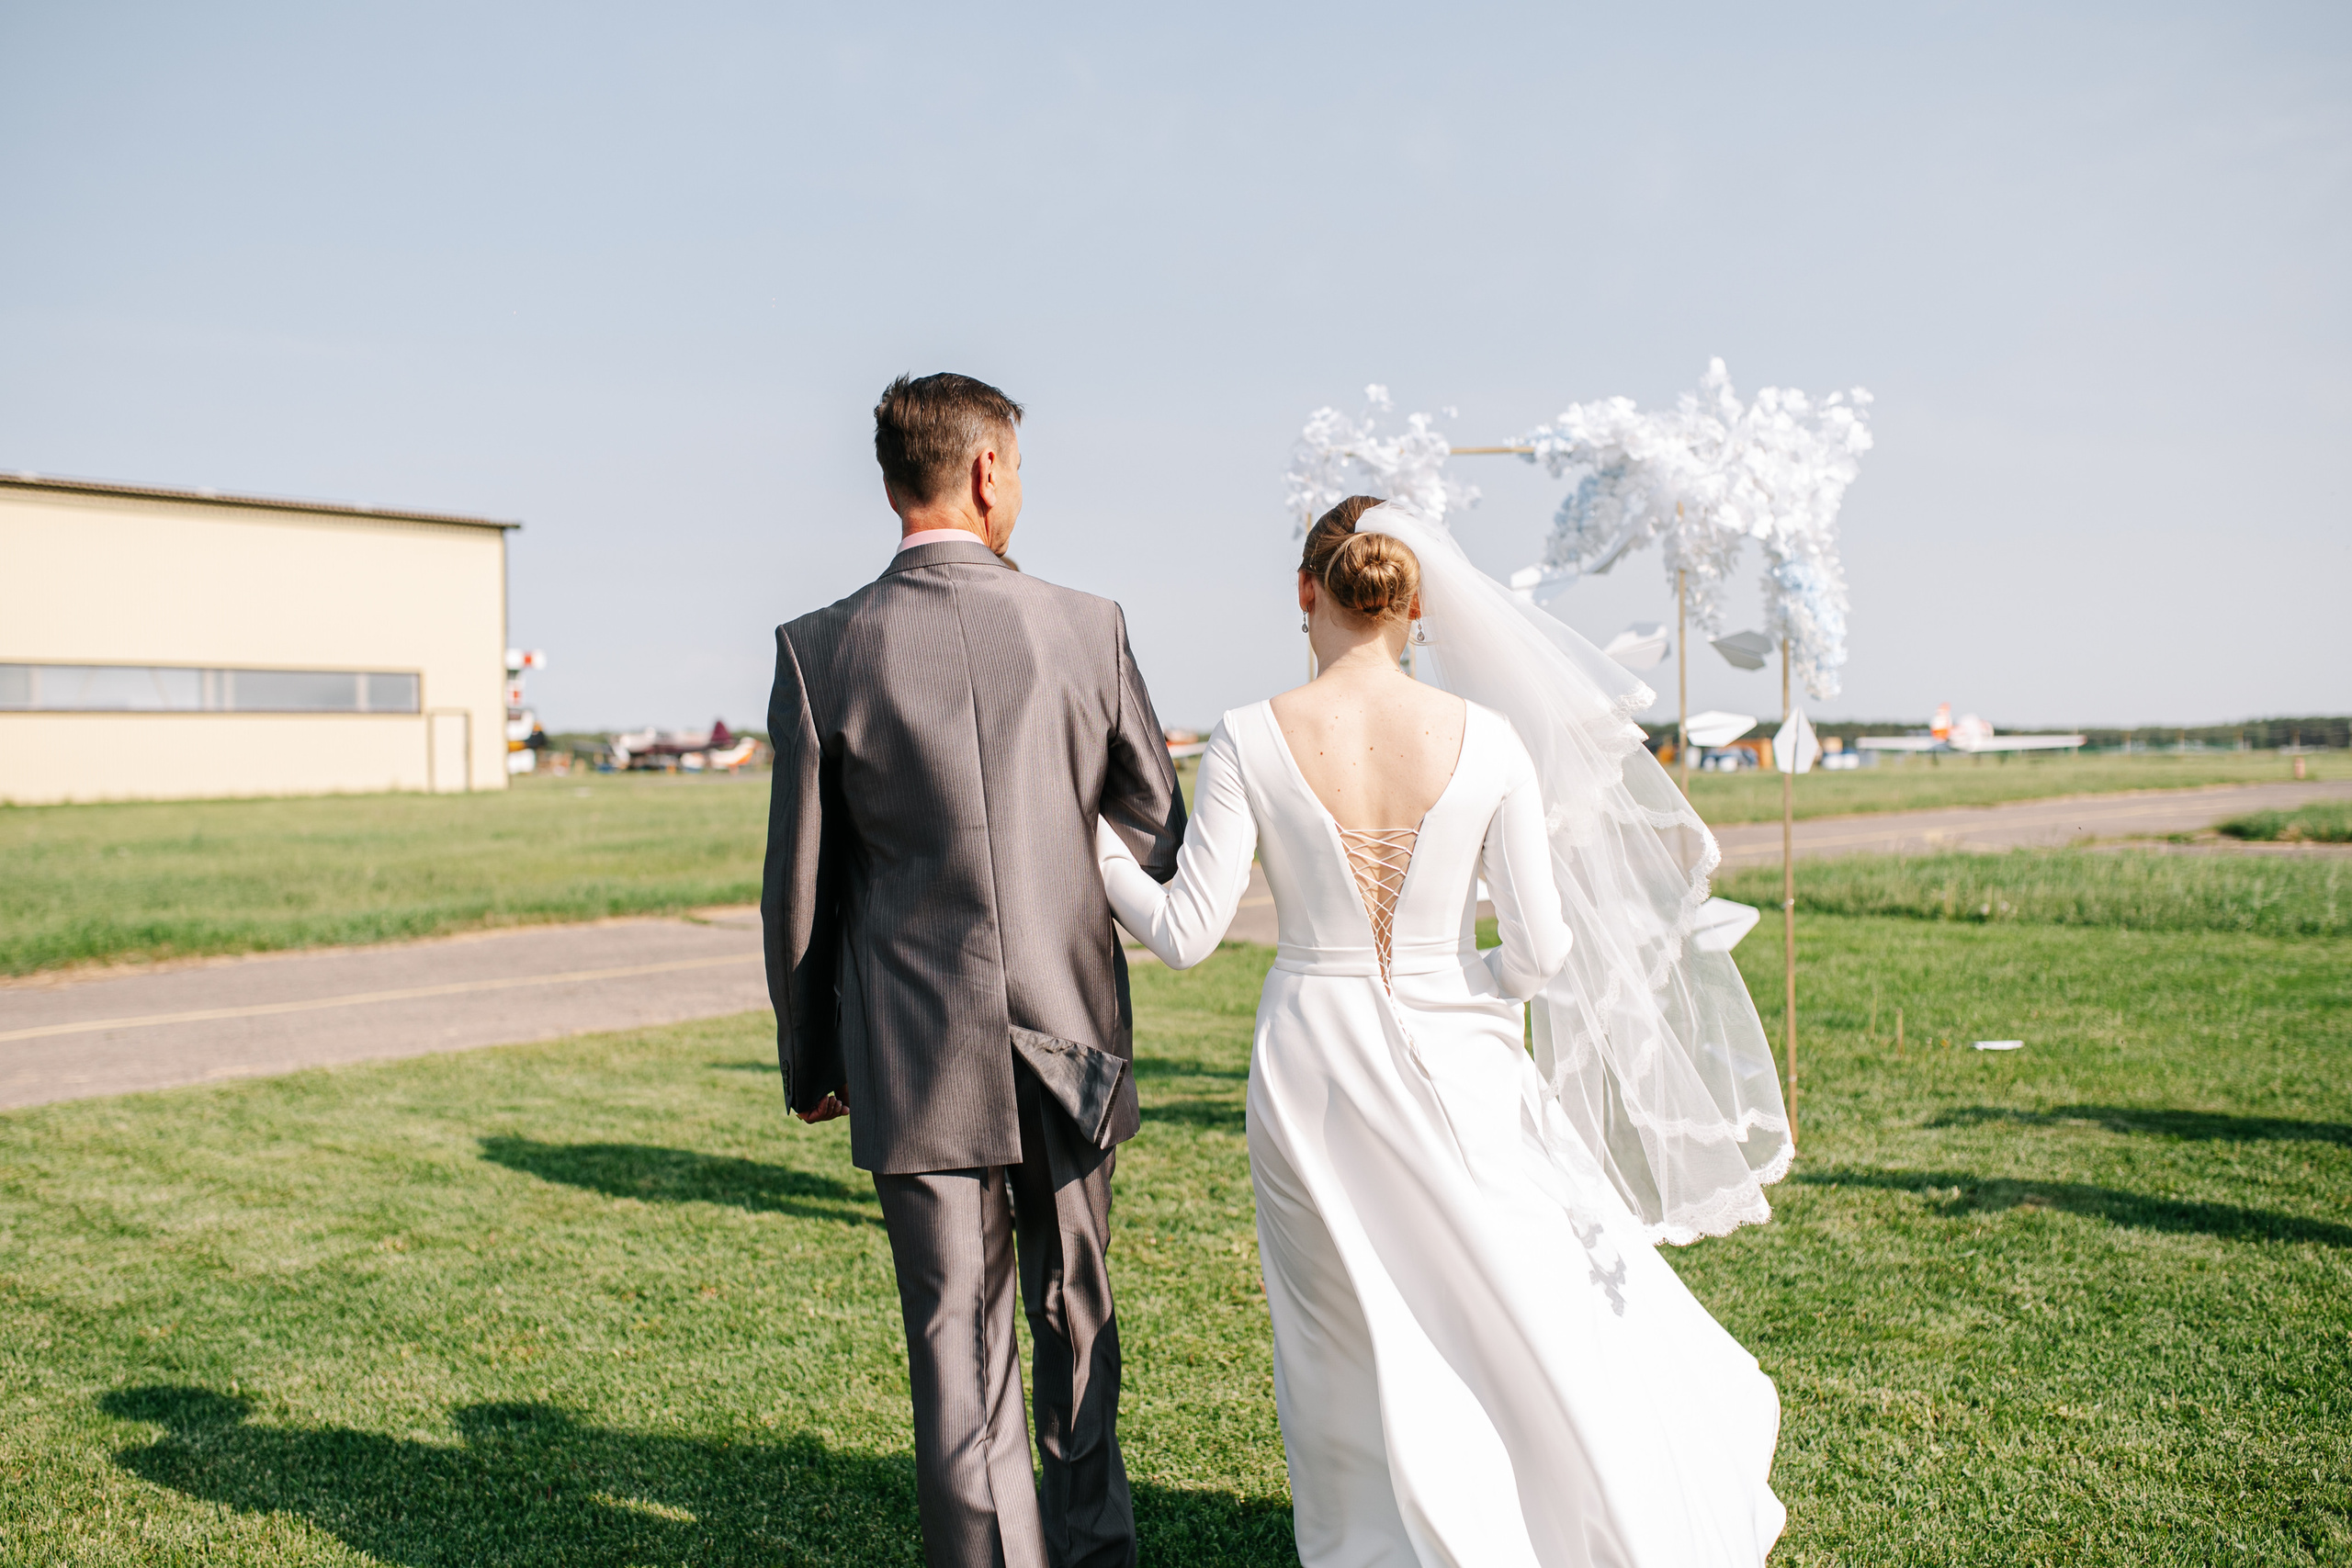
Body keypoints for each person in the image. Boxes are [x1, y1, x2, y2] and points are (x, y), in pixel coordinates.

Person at [1097, 496, 1792, 1567]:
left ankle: (1376, 1542)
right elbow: (1541, 955)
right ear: (1415, 602)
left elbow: (1186, 935)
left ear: (1304, 592)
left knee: (1341, 1317)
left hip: (1310, 1058)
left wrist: (1096, 855)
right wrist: (1457, 981)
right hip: (1459, 1043)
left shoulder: (1246, 734)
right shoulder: (1492, 740)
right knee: (1507, 1289)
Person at [763, 372, 1186, 1568]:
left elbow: (797, 885)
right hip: (1075, 1033)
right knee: (1076, 1311)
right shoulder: (1087, 624)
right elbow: (1154, 827)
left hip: (912, 1047)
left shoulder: (820, 649)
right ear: (989, 472)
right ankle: (1098, 1549)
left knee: (958, 1340)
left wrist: (813, 1057)